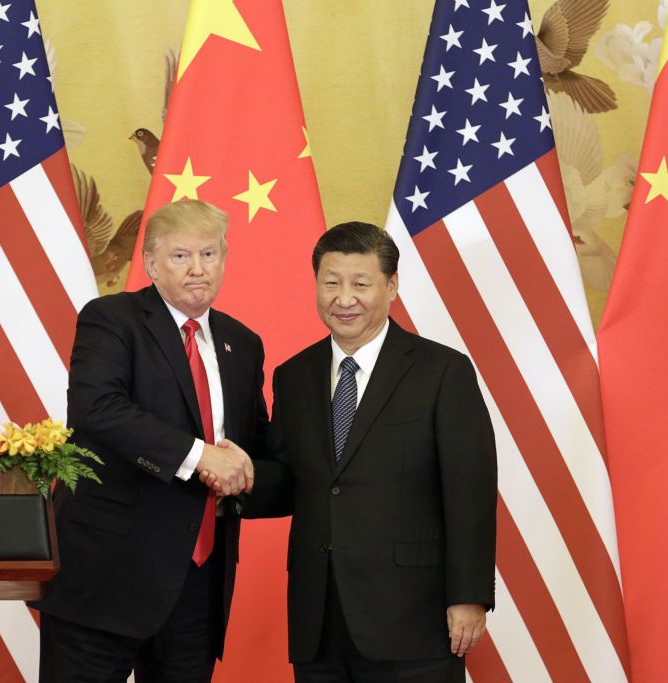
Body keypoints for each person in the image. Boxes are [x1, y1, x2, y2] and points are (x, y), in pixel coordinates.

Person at [211, 221, 497, 682]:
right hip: (318, 618)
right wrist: (241, 477)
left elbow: (471, 492)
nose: (344, 299)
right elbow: (291, 480)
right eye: (331, 283)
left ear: (391, 286)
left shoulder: (442, 371)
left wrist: (469, 596)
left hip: (413, 618)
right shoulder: (294, 375)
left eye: (360, 284)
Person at [32, 199, 266, 683]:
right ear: (152, 263)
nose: (197, 269)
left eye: (208, 254)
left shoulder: (242, 343)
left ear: (224, 259)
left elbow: (251, 449)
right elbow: (97, 410)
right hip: (105, 579)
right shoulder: (111, 319)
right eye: (181, 256)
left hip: (197, 584)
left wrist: (248, 469)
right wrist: (201, 455)